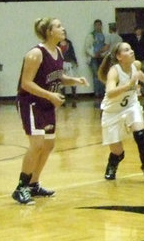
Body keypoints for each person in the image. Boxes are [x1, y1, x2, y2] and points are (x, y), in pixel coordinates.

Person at [12, 18, 88, 204]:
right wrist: (50, 96)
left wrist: (74, 80)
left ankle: (33, 183)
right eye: (59, 26)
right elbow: (26, 83)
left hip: (46, 103)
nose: (63, 29)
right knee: (37, 144)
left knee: (49, 145)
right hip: (31, 103)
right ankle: (20, 187)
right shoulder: (35, 54)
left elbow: (57, 77)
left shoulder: (59, 52)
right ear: (49, 32)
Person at [98, 42, 144, 181]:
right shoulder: (114, 71)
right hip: (112, 111)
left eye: (131, 49)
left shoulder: (134, 66)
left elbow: (140, 75)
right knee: (118, 152)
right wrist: (129, 85)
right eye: (126, 50)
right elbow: (110, 92)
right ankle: (112, 164)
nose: (131, 51)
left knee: (141, 133)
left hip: (130, 106)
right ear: (119, 56)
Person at [84, 19, 109, 98]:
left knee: (103, 74)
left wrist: (103, 54)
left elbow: (107, 47)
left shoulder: (104, 35)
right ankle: (97, 93)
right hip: (94, 58)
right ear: (94, 26)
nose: (98, 27)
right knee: (95, 75)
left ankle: (103, 92)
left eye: (99, 25)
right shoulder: (91, 35)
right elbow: (87, 47)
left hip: (102, 58)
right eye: (96, 25)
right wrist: (93, 54)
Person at [58, 34, 79, 107]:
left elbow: (72, 52)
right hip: (61, 63)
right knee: (62, 80)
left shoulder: (69, 43)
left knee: (72, 79)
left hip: (69, 62)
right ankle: (63, 96)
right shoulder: (57, 43)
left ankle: (74, 95)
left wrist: (75, 61)